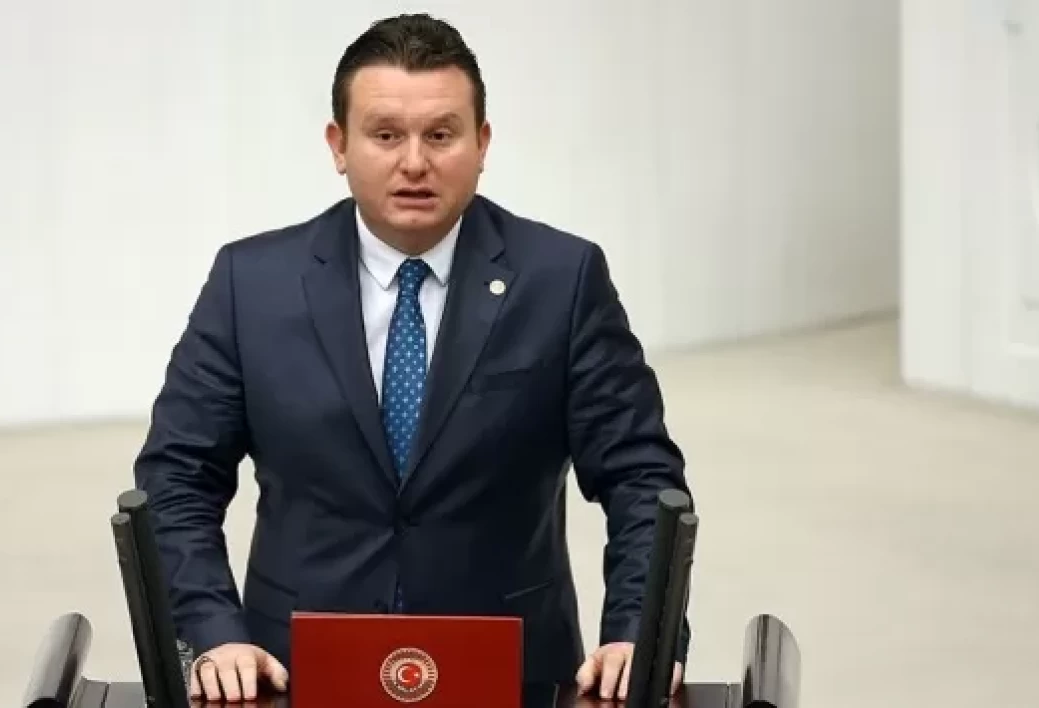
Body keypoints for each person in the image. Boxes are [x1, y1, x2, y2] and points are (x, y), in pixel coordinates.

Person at [133, 13, 693, 704]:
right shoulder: (251, 284)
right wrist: (212, 632)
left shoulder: (562, 280)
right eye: (386, 135)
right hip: (293, 673)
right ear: (339, 145)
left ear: (482, 143)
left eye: (441, 135)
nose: (414, 163)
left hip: (514, 675)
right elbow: (177, 477)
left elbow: (640, 475)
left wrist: (638, 631)